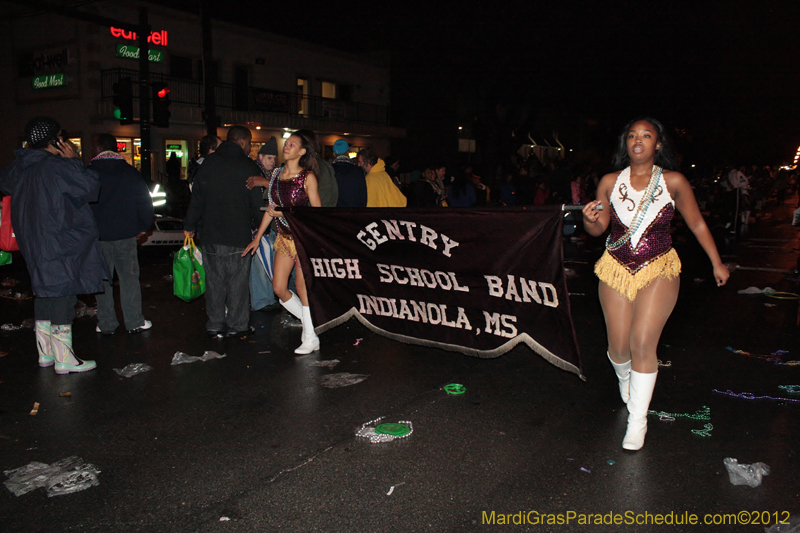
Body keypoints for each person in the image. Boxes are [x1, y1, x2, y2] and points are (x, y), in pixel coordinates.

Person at [582, 117, 729, 451]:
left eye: (646, 135)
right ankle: (625, 380)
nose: (638, 140)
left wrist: (716, 262)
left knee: (642, 343)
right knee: (619, 348)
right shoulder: (608, 182)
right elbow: (598, 229)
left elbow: (696, 223)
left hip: (659, 267)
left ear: (658, 144)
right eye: (632, 135)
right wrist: (589, 220)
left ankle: (638, 422)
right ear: (626, 144)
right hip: (616, 267)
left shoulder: (674, 181)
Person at [0, 117, 106, 373]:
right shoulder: (59, 167)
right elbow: (90, 188)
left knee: (45, 292)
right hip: (61, 240)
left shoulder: (19, 168)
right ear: (56, 140)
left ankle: (45, 354)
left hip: (33, 240)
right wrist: (74, 161)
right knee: (62, 293)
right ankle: (64, 359)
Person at [244, 130, 322, 354]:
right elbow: (271, 210)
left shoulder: (308, 177)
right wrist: (257, 238)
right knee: (278, 288)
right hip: (284, 239)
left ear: (302, 151)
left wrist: (284, 213)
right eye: (286, 144)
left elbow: (317, 213)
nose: (286, 147)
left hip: (304, 239)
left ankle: (309, 337)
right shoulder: (276, 175)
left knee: (300, 286)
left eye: (292, 144)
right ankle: (311, 326)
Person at [184, 125, 264, 337]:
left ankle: (215, 322)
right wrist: (260, 225)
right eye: (249, 144)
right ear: (243, 142)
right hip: (238, 234)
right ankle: (238, 324)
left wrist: (189, 225)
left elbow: (197, 198)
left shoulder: (209, 163)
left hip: (210, 234)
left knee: (214, 281)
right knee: (238, 283)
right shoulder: (248, 167)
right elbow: (256, 203)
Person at [89, 133, 154, 335]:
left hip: (98, 235)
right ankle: (134, 321)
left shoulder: (89, 172)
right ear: (116, 148)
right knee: (129, 279)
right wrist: (143, 225)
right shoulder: (129, 172)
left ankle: (106, 322)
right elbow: (144, 200)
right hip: (126, 233)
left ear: (98, 148)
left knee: (102, 281)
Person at [246, 136, 280, 312]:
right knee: (259, 264)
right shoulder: (255, 172)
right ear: (260, 157)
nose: (272, 162)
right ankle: (261, 301)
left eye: (274, 158)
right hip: (258, 225)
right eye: (269, 158)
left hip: (267, 225)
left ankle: (266, 298)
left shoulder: (268, 175)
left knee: (267, 262)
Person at [332, 140, 367, 207]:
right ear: (348, 152)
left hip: (334, 213)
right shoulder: (358, 171)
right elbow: (363, 197)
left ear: (334, 154)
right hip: (354, 213)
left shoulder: (330, 170)